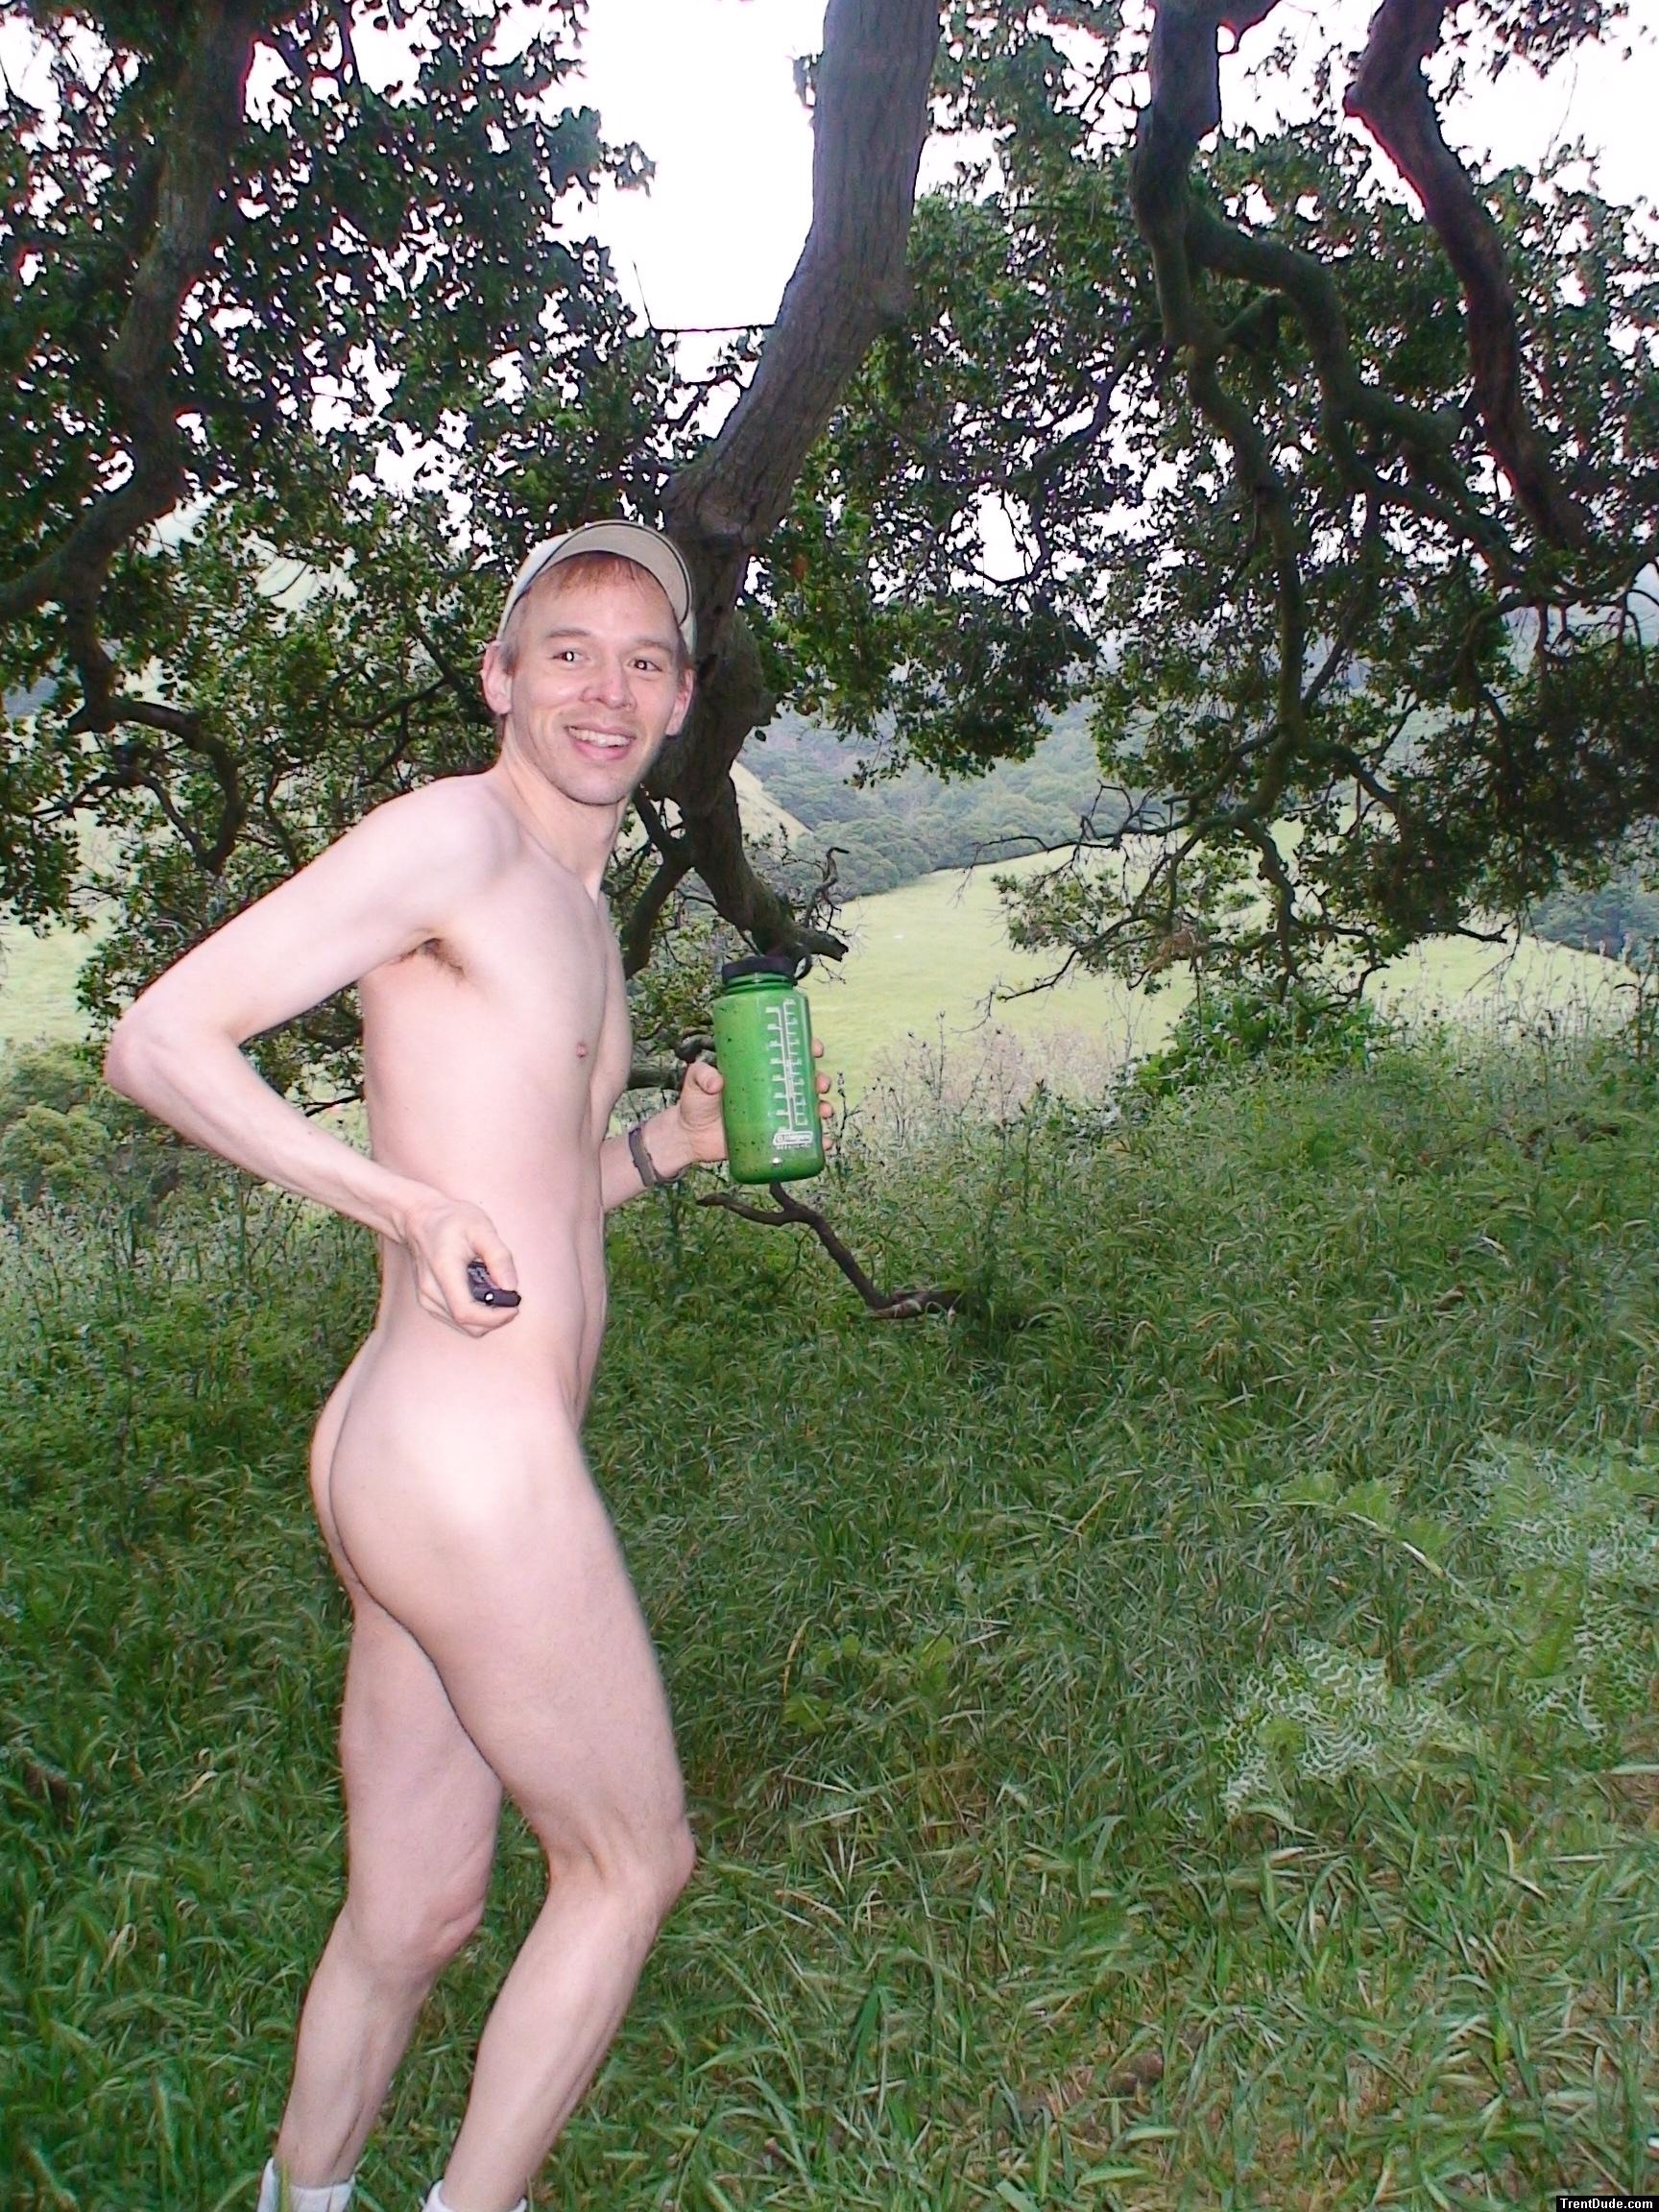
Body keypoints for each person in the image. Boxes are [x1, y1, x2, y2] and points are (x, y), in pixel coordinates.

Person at [104, 520, 829, 2212]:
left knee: (416, 1910)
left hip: (418, 1444)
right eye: (568, 652)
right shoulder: (452, 838)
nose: (607, 689)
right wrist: (395, 1200)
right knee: (632, 1862)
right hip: (466, 1456)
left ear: (682, 703)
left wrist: (662, 1150)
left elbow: (526, 1207)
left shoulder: (570, 910)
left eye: (644, 662)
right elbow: (160, 1040)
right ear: (503, 679)